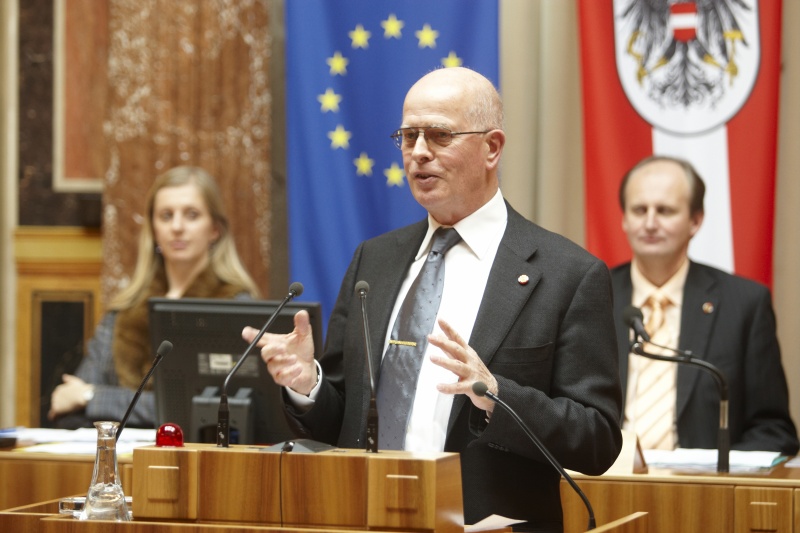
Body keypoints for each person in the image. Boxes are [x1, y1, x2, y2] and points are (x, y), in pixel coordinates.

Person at [243, 67, 622, 531]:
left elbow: (598, 440)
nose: (418, 153)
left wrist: (498, 396)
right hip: (362, 517)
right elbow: (340, 423)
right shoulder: (374, 261)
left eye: (440, 135)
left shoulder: (567, 274)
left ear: (492, 147)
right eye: (408, 136)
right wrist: (307, 384)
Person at [612, 155, 798, 454]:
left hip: (703, 493)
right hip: (604, 485)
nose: (649, 223)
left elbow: (773, 430)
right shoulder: (591, 295)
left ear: (695, 220)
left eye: (665, 211)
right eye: (639, 210)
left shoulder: (744, 304)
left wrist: (719, 474)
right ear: (624, 219)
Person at [48, 166, 260, 429]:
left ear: (215, 229)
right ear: (154, 229)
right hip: (122, 462)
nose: (177, 227)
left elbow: (204, 408)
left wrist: (93, 396)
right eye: (166, 216)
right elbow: (71, 396)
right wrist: (84, 395)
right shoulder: (125, 309)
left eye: (191, 215)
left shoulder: (236, 309)